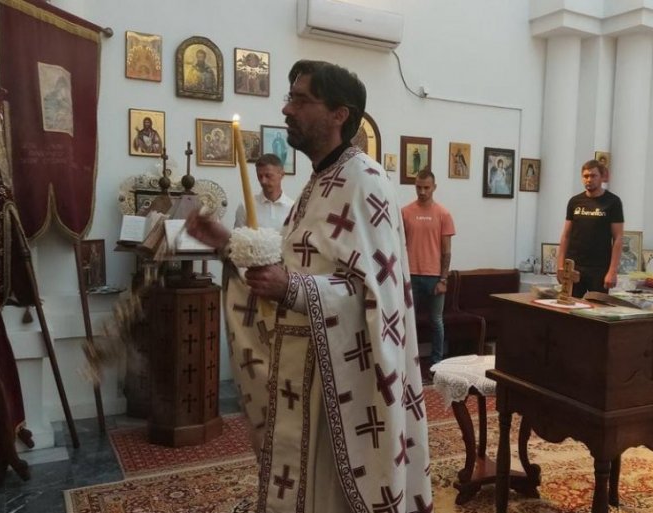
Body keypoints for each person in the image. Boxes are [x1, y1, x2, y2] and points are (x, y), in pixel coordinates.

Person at [186, 59, 431, 513]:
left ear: (339, 114)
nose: (287, 109)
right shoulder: (318, 182)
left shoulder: (365, 182)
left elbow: (377, 297)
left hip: (342, 376)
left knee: (331, 492)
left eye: (300, 100)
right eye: (289, 98)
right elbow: (289, 259)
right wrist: (227, 242)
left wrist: (294, 289)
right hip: (304, 367)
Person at [401, 168, 455, 364]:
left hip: (434, 277)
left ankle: (436, 363)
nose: (422, 192)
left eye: (426, 188)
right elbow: (399, 245)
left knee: (436, 321)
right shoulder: (405, 213)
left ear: (434, 187)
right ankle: (408, 363)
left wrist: (443, 279)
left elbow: (446, 251)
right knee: (408, 321)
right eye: (418, 187)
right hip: (410, 275)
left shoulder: (443, 214)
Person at [557, 159, 624, 297]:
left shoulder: (613, 202)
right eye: (586, 176)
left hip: (599, 268)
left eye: (593, 176)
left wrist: (612, 271)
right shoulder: (575, 202)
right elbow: (566, 235)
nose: (589, 180)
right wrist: (560, 266)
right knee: (569, 305)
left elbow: (618, 238)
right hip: (574, 266)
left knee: (597, 307)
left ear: (602, 177)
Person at [234, 153, 294, 232]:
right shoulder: (245, 206)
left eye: (268, 176)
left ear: (282, 175)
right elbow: (237, 238)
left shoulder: (293, 208)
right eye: (260, 176)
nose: (263, 181)